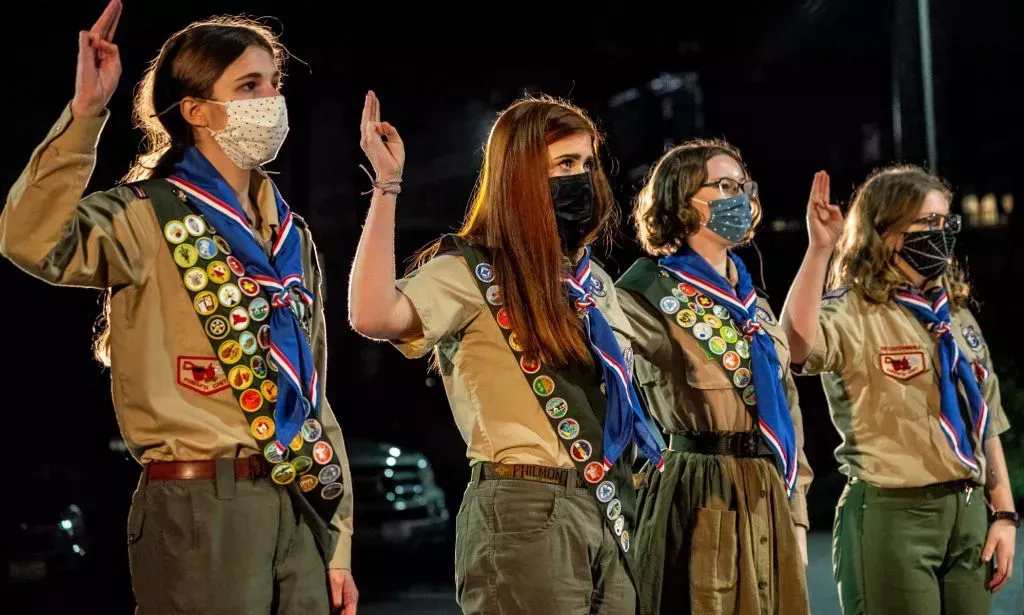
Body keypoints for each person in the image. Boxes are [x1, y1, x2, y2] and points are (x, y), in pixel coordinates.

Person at [0, 3, 358, 613]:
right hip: (199, 504)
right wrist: (85, 116)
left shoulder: (291, 237)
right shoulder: (144, 215)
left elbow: (314, 392)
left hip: (301, 504)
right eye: (248, 86)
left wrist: (340, 540)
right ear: (195, 111)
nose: (270, 99)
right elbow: (30, 240)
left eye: (274, 83)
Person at [349, 92, 664, 614]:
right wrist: (386, 187)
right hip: (525, 506)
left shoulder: (593, 284)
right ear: (520, 178)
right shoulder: (471, 271)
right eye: (565, 164)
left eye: (587, 163)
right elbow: (372, 315)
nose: (583, 178)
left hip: (607, 506)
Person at [780, 166, 1017, 614]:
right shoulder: (854, 310)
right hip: (893, 514)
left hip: (967, 514)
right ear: (886, 231)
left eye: (946, 222)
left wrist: (1003, 513)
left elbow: (986, 420)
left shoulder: (954, 314)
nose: (941, 234)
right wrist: (818, 252)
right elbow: (794, 347)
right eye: (927, 224)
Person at [615, 139, 812, 614]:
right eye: (724, 186)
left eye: (744, 186)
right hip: (700, 488)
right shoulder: (649, 294)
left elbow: (787, 407)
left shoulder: (753, 304)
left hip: (767, 492)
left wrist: (798, 517)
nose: (740, 198)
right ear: (683, 201)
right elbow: (598, 354)